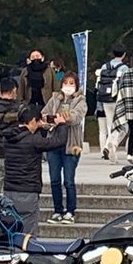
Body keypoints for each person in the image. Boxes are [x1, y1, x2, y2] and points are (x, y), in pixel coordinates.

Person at [1, 104, 66, 235]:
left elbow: (25, 135)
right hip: (28, 191)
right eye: (38, 121)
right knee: (28, 234)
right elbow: (58, 141)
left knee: (12, 229)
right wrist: (62, 124)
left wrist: (38, 126)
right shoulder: (33, 141)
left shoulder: (8, 137)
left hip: (9, 190)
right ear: (31, 121)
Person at [43, 76, 86, 223]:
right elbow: (44, 116)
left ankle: (70, 211)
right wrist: (51, 120)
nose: (68, 86)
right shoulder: (54, 99)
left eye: (71, 83)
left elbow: (76, 117)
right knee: (55, 179)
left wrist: (63, 118)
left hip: (71, 145)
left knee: (69, 180)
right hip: (54, 144)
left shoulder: (80, 100)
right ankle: (57, 210)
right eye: (65, 83)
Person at [94, 46, 127, 159]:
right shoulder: (124, 68)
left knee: (108, 125)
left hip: (104, 99)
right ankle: (110, 146)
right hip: (117, 99)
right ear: (124, 55)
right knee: (120, 125)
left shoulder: (105, 66)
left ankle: (105, 150)